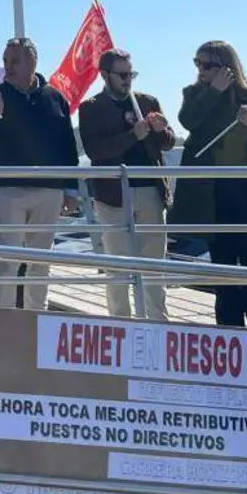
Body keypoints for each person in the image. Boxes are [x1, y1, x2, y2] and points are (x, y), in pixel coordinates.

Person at [170, 41, 247, 329]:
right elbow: (189, 122)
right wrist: (213, 92)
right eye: (197, 63)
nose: (200, 69)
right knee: (222, 271)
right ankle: (229, 335)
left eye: (206, 65)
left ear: (226, 66)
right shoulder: (195, 93)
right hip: (214, 194)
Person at [0, 37, 80, 311]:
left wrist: (72, 189)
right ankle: (3, 323)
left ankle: (35, 321)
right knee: (6, 262)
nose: (8, 67)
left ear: (33, 62)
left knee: (41, 263)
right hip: (8, 191)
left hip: (49, 192)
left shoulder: (55, 98)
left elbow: (68, 147)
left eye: (14, 61)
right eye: (5, 61)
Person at [78, 49, 175, 321]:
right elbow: (96, 151)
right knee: (117, 266)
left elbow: (168, 143)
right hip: (112, 195)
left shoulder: (147, 101)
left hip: (149, 191)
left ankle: (158, 323)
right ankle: (120, 324)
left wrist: (160, 130)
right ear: (105, 75)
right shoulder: (91, 108)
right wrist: (133, 135)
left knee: (154, 265)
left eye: (131, 74)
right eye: (122, 75)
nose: (127, 80)